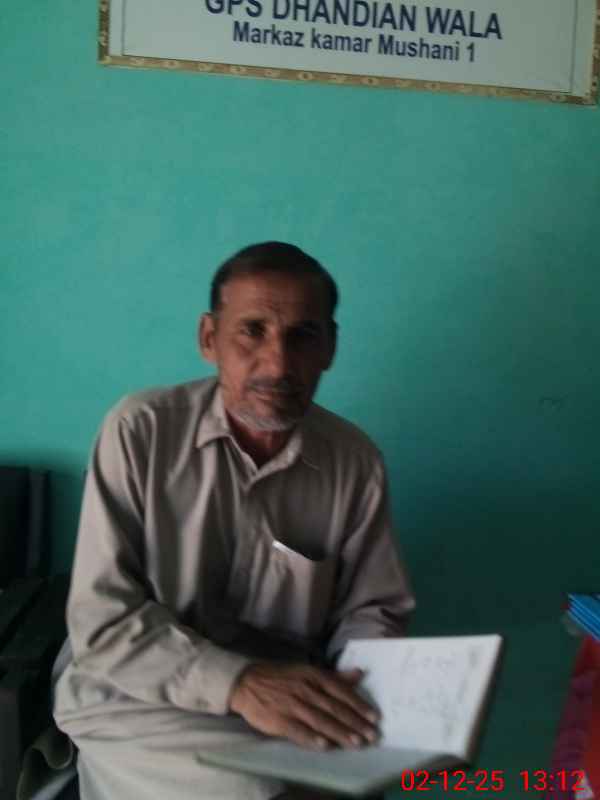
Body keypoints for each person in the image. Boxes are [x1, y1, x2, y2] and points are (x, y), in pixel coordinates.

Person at [53, 242, 415, 800]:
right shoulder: (140, 431)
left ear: (330, 347)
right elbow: (103, 618)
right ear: (209, 339)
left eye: (303, 336)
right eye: (252, 331)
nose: (278, 364)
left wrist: (360, 687)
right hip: (137, 693)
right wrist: (239, 683)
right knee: (253, 790)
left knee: (352, 781)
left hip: (291, 697)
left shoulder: (354, 461)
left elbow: (371, 610)